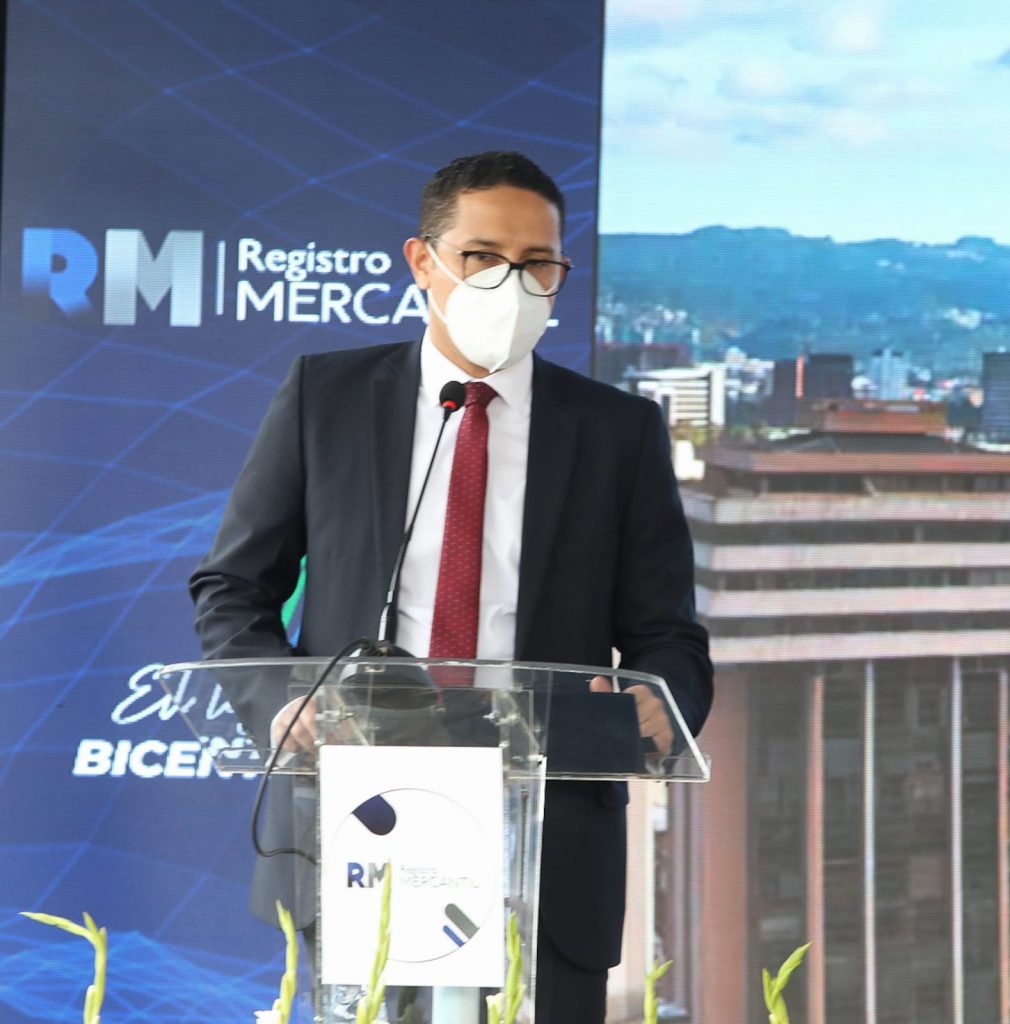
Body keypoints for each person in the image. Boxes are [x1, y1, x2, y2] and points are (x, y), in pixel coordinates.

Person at [190, 150, 713, 1024]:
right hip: (360, 814)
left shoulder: (618, 430)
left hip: (548, 830)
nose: (512, 283)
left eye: (538, 263)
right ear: (423, 261)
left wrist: (665, 702)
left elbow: (668, 633)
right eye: (482, 256)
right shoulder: (328, 396)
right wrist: (281, 699)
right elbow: (233, 587)